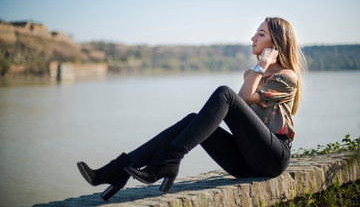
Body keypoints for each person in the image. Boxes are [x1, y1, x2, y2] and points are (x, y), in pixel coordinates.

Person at [77, 17, 306, 201]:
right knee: (192, 120)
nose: (252, 37)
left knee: (224, 93)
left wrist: (263, 64)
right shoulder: (252, 74)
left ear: (276, 44)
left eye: (261, 34)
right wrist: (258, 69)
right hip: (244, 162)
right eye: (256, 32)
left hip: (272, 157)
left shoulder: (286, 76)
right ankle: (117, 170)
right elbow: (246, 100)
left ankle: (166, 162)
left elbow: (243, 98)